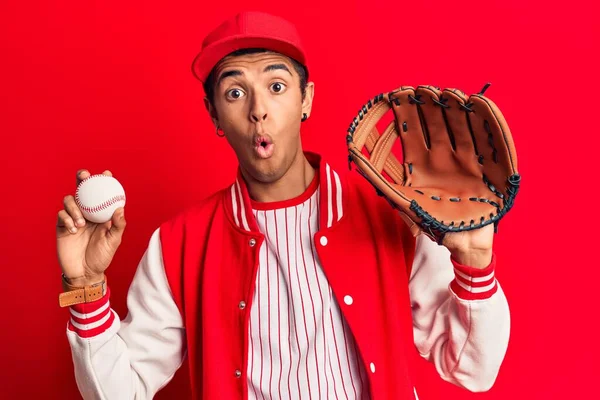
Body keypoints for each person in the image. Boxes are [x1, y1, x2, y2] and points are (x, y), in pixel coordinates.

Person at [56, 11, 510, 400]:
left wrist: (476, 265)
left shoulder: (393, 216)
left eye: (276, 85)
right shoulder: (179, 244)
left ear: (306, 98)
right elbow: (122, 390)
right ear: (214, 114)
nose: (258, 109)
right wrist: (86, 284)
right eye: (235, 93)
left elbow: (472, 368)